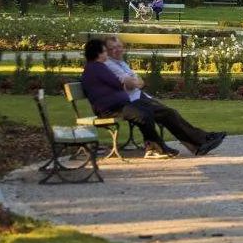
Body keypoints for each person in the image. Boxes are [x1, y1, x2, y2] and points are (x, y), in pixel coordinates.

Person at [81, 38, 226, 159]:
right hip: (121, 104)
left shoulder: (107, 65)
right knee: (158, 114)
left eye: (119, 46)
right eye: (108, 49)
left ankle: (197, 142)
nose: (115, 51)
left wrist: (132, 82)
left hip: (126, 101)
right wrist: (130, 83)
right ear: (99, 53)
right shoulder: (102, 66)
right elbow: (121, 83)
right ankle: (159, 147)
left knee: (167, 113)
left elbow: (135, 82)